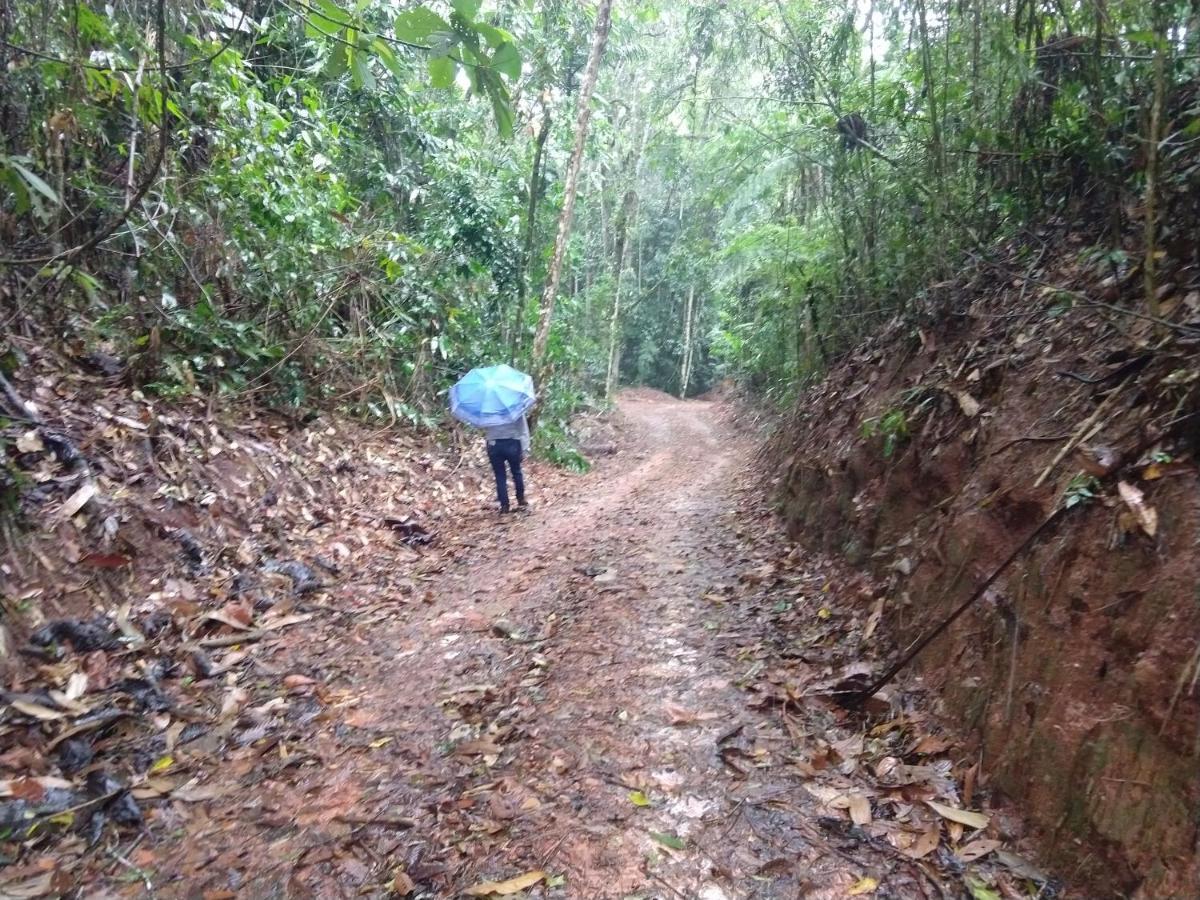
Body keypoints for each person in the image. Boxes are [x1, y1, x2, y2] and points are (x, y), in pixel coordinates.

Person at [483, 414, 529, 514]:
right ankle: (520, 499)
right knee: (516, 472)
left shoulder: (488, 409)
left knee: (500, 476)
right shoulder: (515, 407)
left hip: (494, 444)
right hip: (512, 442)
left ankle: (504, 505)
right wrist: (524, 448)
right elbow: (523, 429)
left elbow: (484, 426)